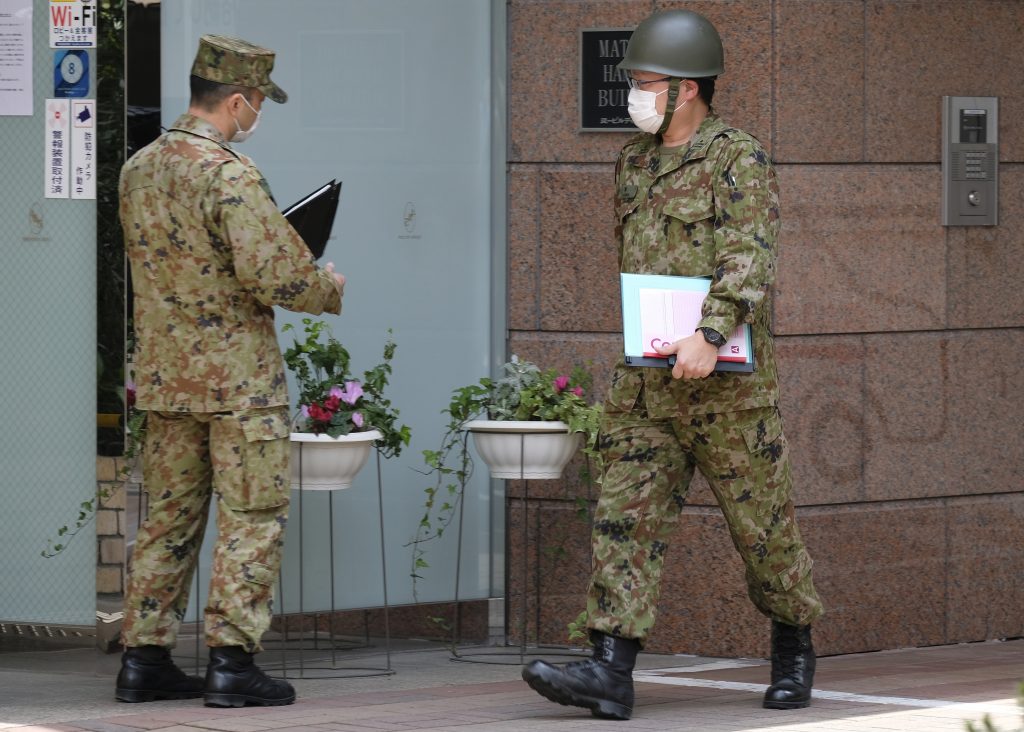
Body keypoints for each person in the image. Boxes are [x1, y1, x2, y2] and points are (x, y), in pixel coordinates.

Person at [522, 9, 824, 721]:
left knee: (764, 532)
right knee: (624, 522)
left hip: (727, 389)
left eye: (644, 82)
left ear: (686, 88)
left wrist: (711, 333)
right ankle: (609, 669)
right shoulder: (632, 160)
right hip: (646, 383)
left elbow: (750, 258)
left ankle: (794, 644)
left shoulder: (736, 158)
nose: (633, 93)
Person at [114, 35, 345, 707]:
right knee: (251, 516)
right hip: (237, 383)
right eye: (258, 105)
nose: (256, 118)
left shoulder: (139, 168)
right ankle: (231, 662)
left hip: (165, 378)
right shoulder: (229, 173)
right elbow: (274, 273)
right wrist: (325, 284)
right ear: (237, 101)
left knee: (169, 519)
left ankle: (144, 659)